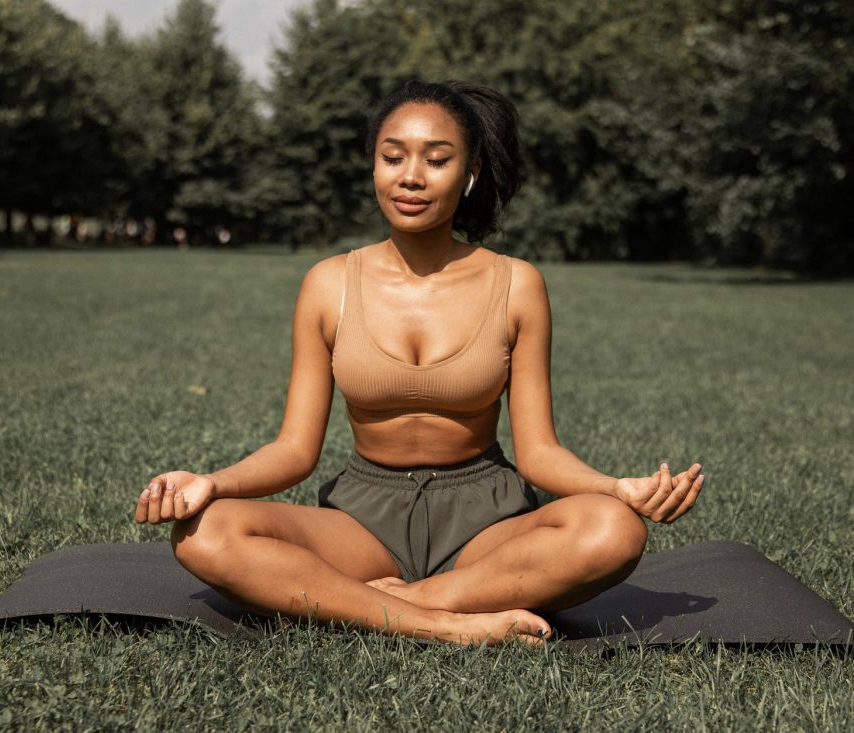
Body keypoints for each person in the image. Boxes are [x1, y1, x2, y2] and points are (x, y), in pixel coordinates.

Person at [134, 80, 705, 646]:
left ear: (470, 171)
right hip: (362, 522)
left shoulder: (517, 285)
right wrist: (211, 483)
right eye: (392, 158)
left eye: (437, 160)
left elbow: (539, 453)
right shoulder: (327, 284)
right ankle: (444, 624)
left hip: (486, 522)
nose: (411, 176)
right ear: (373, 166)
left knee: (614, 530)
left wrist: (615, 489)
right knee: (204, 534)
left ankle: (382, 604)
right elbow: (294, 450)